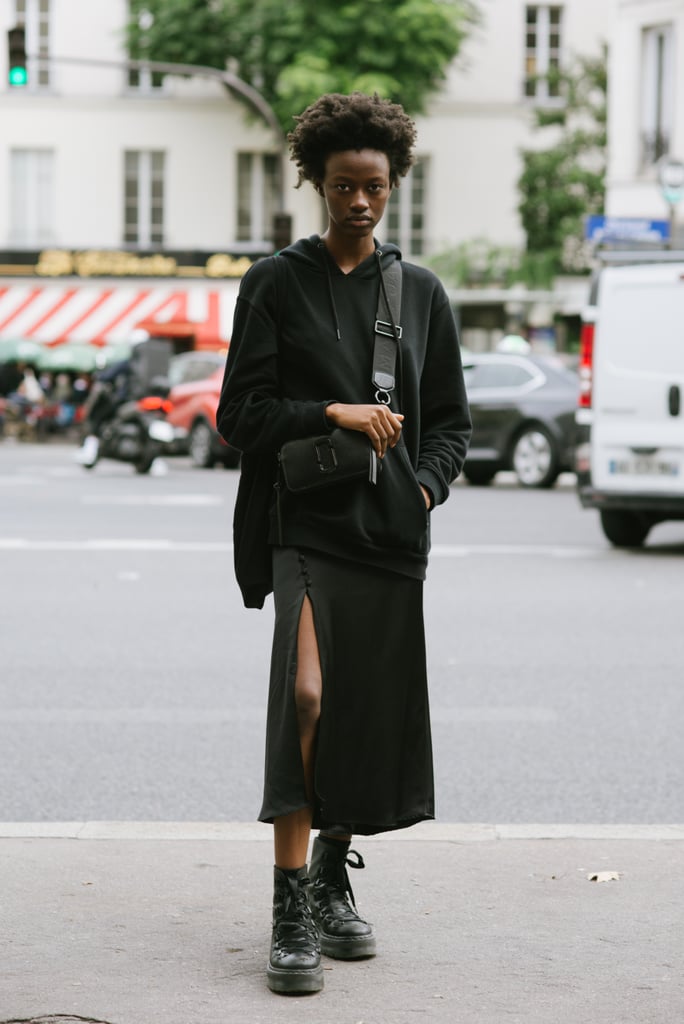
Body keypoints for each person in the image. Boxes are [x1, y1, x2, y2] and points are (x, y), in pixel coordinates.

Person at [216, 92, 472, 995]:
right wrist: (331, 410)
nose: (359, 201)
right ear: (315, 185)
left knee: (359, 714)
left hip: (388, 535)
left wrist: (427, 485)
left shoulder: (421, 292)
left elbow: (450, 423)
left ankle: (331, 874)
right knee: (309, 694)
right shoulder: (275, 283)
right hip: (303, 527)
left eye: (374, 186)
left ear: (393, 184)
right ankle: (288, 903)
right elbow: (237, 416)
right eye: (341, 186)